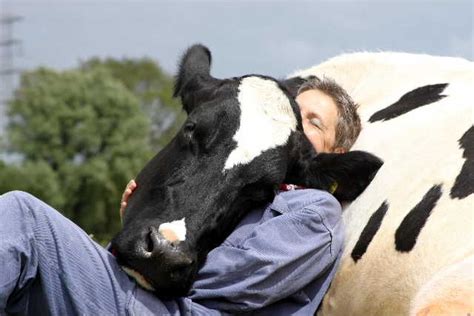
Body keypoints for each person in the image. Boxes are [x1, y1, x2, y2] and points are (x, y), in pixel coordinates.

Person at [0, 77, 361, 315]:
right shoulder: (246, 193)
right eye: (294, 116)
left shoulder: (315, 211)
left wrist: (153, 260)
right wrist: (137, 228)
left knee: (25, 219)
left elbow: (235, 283)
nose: (297, 126)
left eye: (314, 122)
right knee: (23, 288)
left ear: (336, 154)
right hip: (150, 302)